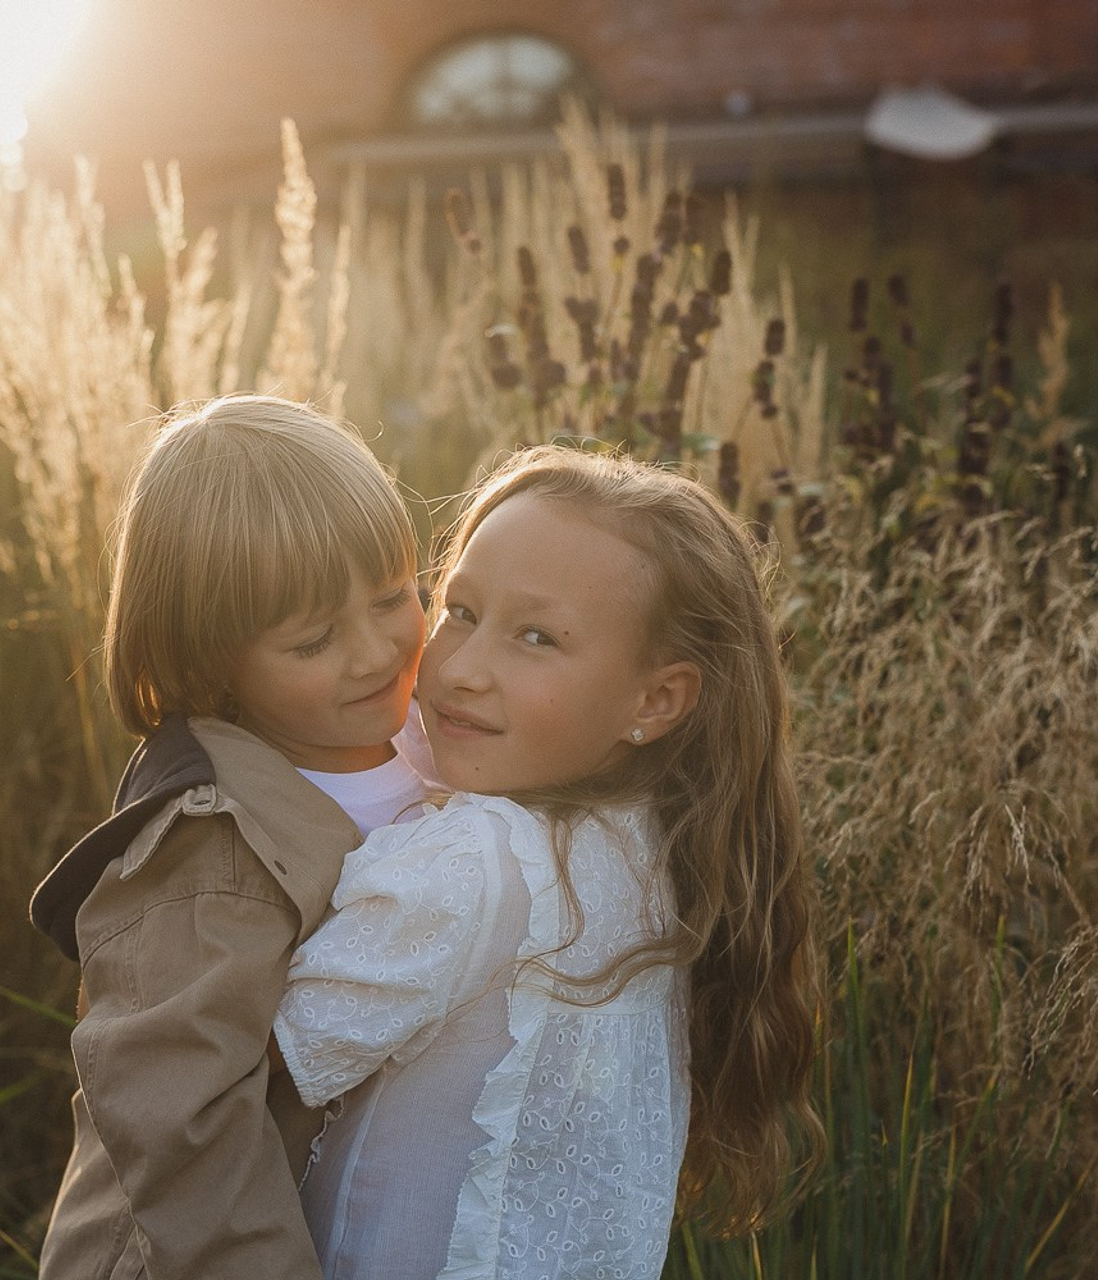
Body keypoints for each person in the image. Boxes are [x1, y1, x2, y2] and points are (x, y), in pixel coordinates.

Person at [274, 444, 821, 1280]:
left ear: (656, 700)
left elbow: (255, 1062)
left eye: (536, 637)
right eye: (458, 610)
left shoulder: (477, 862)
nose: (460, 669)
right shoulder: (662, 845)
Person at [28, 394, 433, 1280]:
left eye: (396, 595)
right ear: (206, 663)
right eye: (314, 639)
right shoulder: (210, 854)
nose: (375, 653)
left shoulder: (437, 737)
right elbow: (185, 1135)